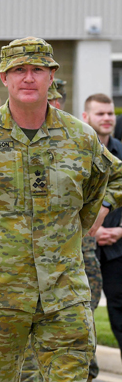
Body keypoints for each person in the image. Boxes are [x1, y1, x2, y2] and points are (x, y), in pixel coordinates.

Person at [0, 37, 114, 381]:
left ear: (52, 76)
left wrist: (91, 218)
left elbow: (99, 187)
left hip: (64, 295)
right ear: (4, 78)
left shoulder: (80, 138)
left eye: (37, 70)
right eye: (19, 70)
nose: (28, 78)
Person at [20, 91, 108, 382]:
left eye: (55, 100)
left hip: (75, 260)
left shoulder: (76, 139)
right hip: (23, 266)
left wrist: (101, 209)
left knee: (75, 338)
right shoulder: (11, 142)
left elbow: (112, 176)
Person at [86, 94, 122, 352]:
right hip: (83, 250)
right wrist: (92, 231)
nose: (108, 118)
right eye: (101, 114)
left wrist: (120, 230)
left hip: (119, 249)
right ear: (86, 117)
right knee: (82, 318)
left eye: (110, 113)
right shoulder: (76, 152)